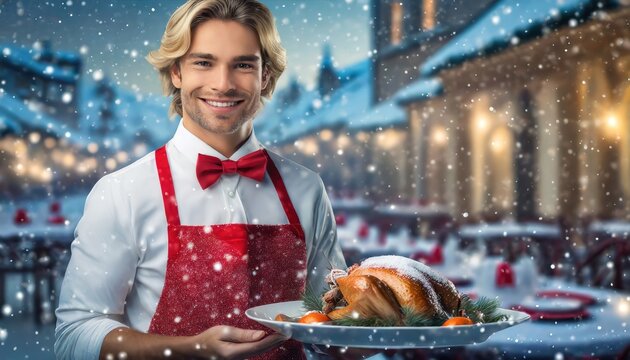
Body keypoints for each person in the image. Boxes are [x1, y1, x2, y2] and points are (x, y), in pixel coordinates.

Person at [54, 0, 346, 359]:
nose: (222, 85)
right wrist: (190, 349)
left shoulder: (306, 189)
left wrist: (381, 330)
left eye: (242, 65)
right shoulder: (123, 192)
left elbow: (332, 324)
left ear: (265, 75)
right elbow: (75, 335)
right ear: (177, 72)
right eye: (203, 63)